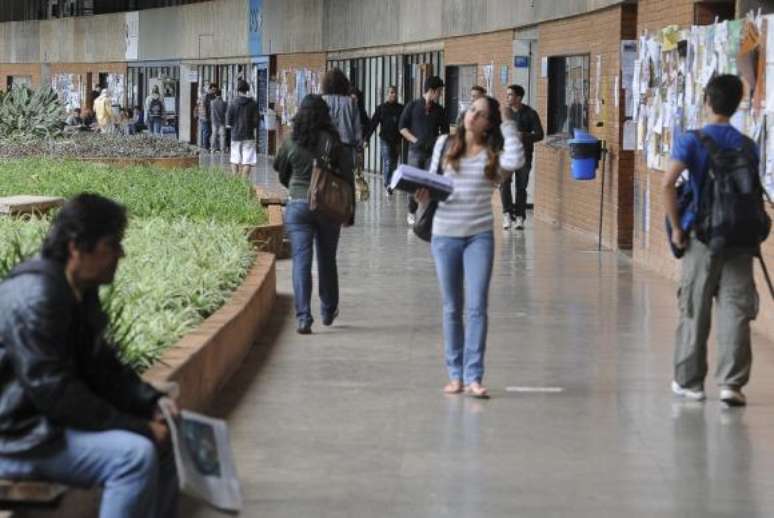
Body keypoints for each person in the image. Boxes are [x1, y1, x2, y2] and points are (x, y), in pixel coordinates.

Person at [0, 193, 180, 518]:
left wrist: (151, 402)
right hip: (17, 435)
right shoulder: (35, 297)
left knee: (167, 443)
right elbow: (53, 391)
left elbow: (103, 366)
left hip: (42, 427)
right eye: (112, 245)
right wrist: (136, 428)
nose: (120, 255)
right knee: (133, 456)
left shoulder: (78, 290)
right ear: (76, 247)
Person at [415, 96, 524, 398]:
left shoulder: (492, 155)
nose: (471, 116)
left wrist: (508, 120)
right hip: (444, 234)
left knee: (476, 307)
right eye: (471, 110)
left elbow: (517, 160)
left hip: (479, 236)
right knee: (452, 307)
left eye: (480, 114)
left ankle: (474, 376)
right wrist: (422, 196)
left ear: (489, 124)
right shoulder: (444, 145)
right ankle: (455, 375)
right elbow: (431, 184)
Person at [663, 74, 759, 407]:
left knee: (694, 307)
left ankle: (690, 382)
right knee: (735, 310)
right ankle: (732, 384)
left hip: (702, 238)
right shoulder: (748, 144)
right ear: (737, 104)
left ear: (707, 101)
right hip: (741, 239)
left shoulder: (691, 141)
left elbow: (667, 184)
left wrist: (677, 228)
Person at [273, 94, 355, 335]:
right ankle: (328, 310)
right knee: (327, 259)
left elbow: (280, 169)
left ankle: (303, 318)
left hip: (298, 206)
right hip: (328, 207)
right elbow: (347, 177)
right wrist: (350, 211)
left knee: (301, 261)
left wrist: (293, 186)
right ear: (325, 115)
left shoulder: (291, 140)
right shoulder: (333, 141)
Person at [399, 75, 450, 225]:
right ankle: (411, 211)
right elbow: (402, 127)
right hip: (415, 152)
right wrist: (416, 140)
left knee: (429, 183)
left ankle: (427, 214)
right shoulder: (413, 106)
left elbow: (445, 131)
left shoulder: (440, 110)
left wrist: (439, 143)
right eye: (439, 91)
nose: (440, 94)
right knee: (413, 183)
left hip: (432, 154)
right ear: (432, 91)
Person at [500, 84, 543, 230]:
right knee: (504, 183)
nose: (507, 97)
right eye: (507, 95)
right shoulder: (505, 113)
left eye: (510, 95)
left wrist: (523, 135)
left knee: (521, 186)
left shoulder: (530, 113)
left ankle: (519, 217)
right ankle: (506, 214)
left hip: (524, 155)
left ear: (518, 98)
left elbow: (540, 134)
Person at [321, 68, 362, 164]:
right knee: (345, 177)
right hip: (346, 146)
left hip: (327, 145)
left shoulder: (322, 100)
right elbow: (357, 129)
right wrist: (359, 147)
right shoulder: (351, 102)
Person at [368, 85, 404, 193]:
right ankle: (388, 184)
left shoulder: (401, 109)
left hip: (397, 140)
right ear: (387, 94)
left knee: (394, 163)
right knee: (388, 160)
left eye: (395, 92)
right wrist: (366, 139)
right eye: (391, 92)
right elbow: (373, 123)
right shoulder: (381, 108)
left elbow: (405, 124)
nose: (393, 94)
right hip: (385, 139)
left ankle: (390, 182)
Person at [226, 79, 258, 178]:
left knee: (234, 158)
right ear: (247, 90)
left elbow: (228, 121)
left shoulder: (232, 103)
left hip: (235, 134)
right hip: (249, 135)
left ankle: (236, 181)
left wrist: (232, 126)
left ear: (238, 90)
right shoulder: (253, 103)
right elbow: (256, 121)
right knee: (247, 160)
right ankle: (244, 182)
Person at [210, 88, 227, 153]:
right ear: (221, 94)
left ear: (215, 94)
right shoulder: (224, 103)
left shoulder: (212, 102)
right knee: (222, 136)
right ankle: (222, 149)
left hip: (214, 121)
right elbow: (226, 112)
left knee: (214, 134)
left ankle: (212, 149)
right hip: (222, 121)